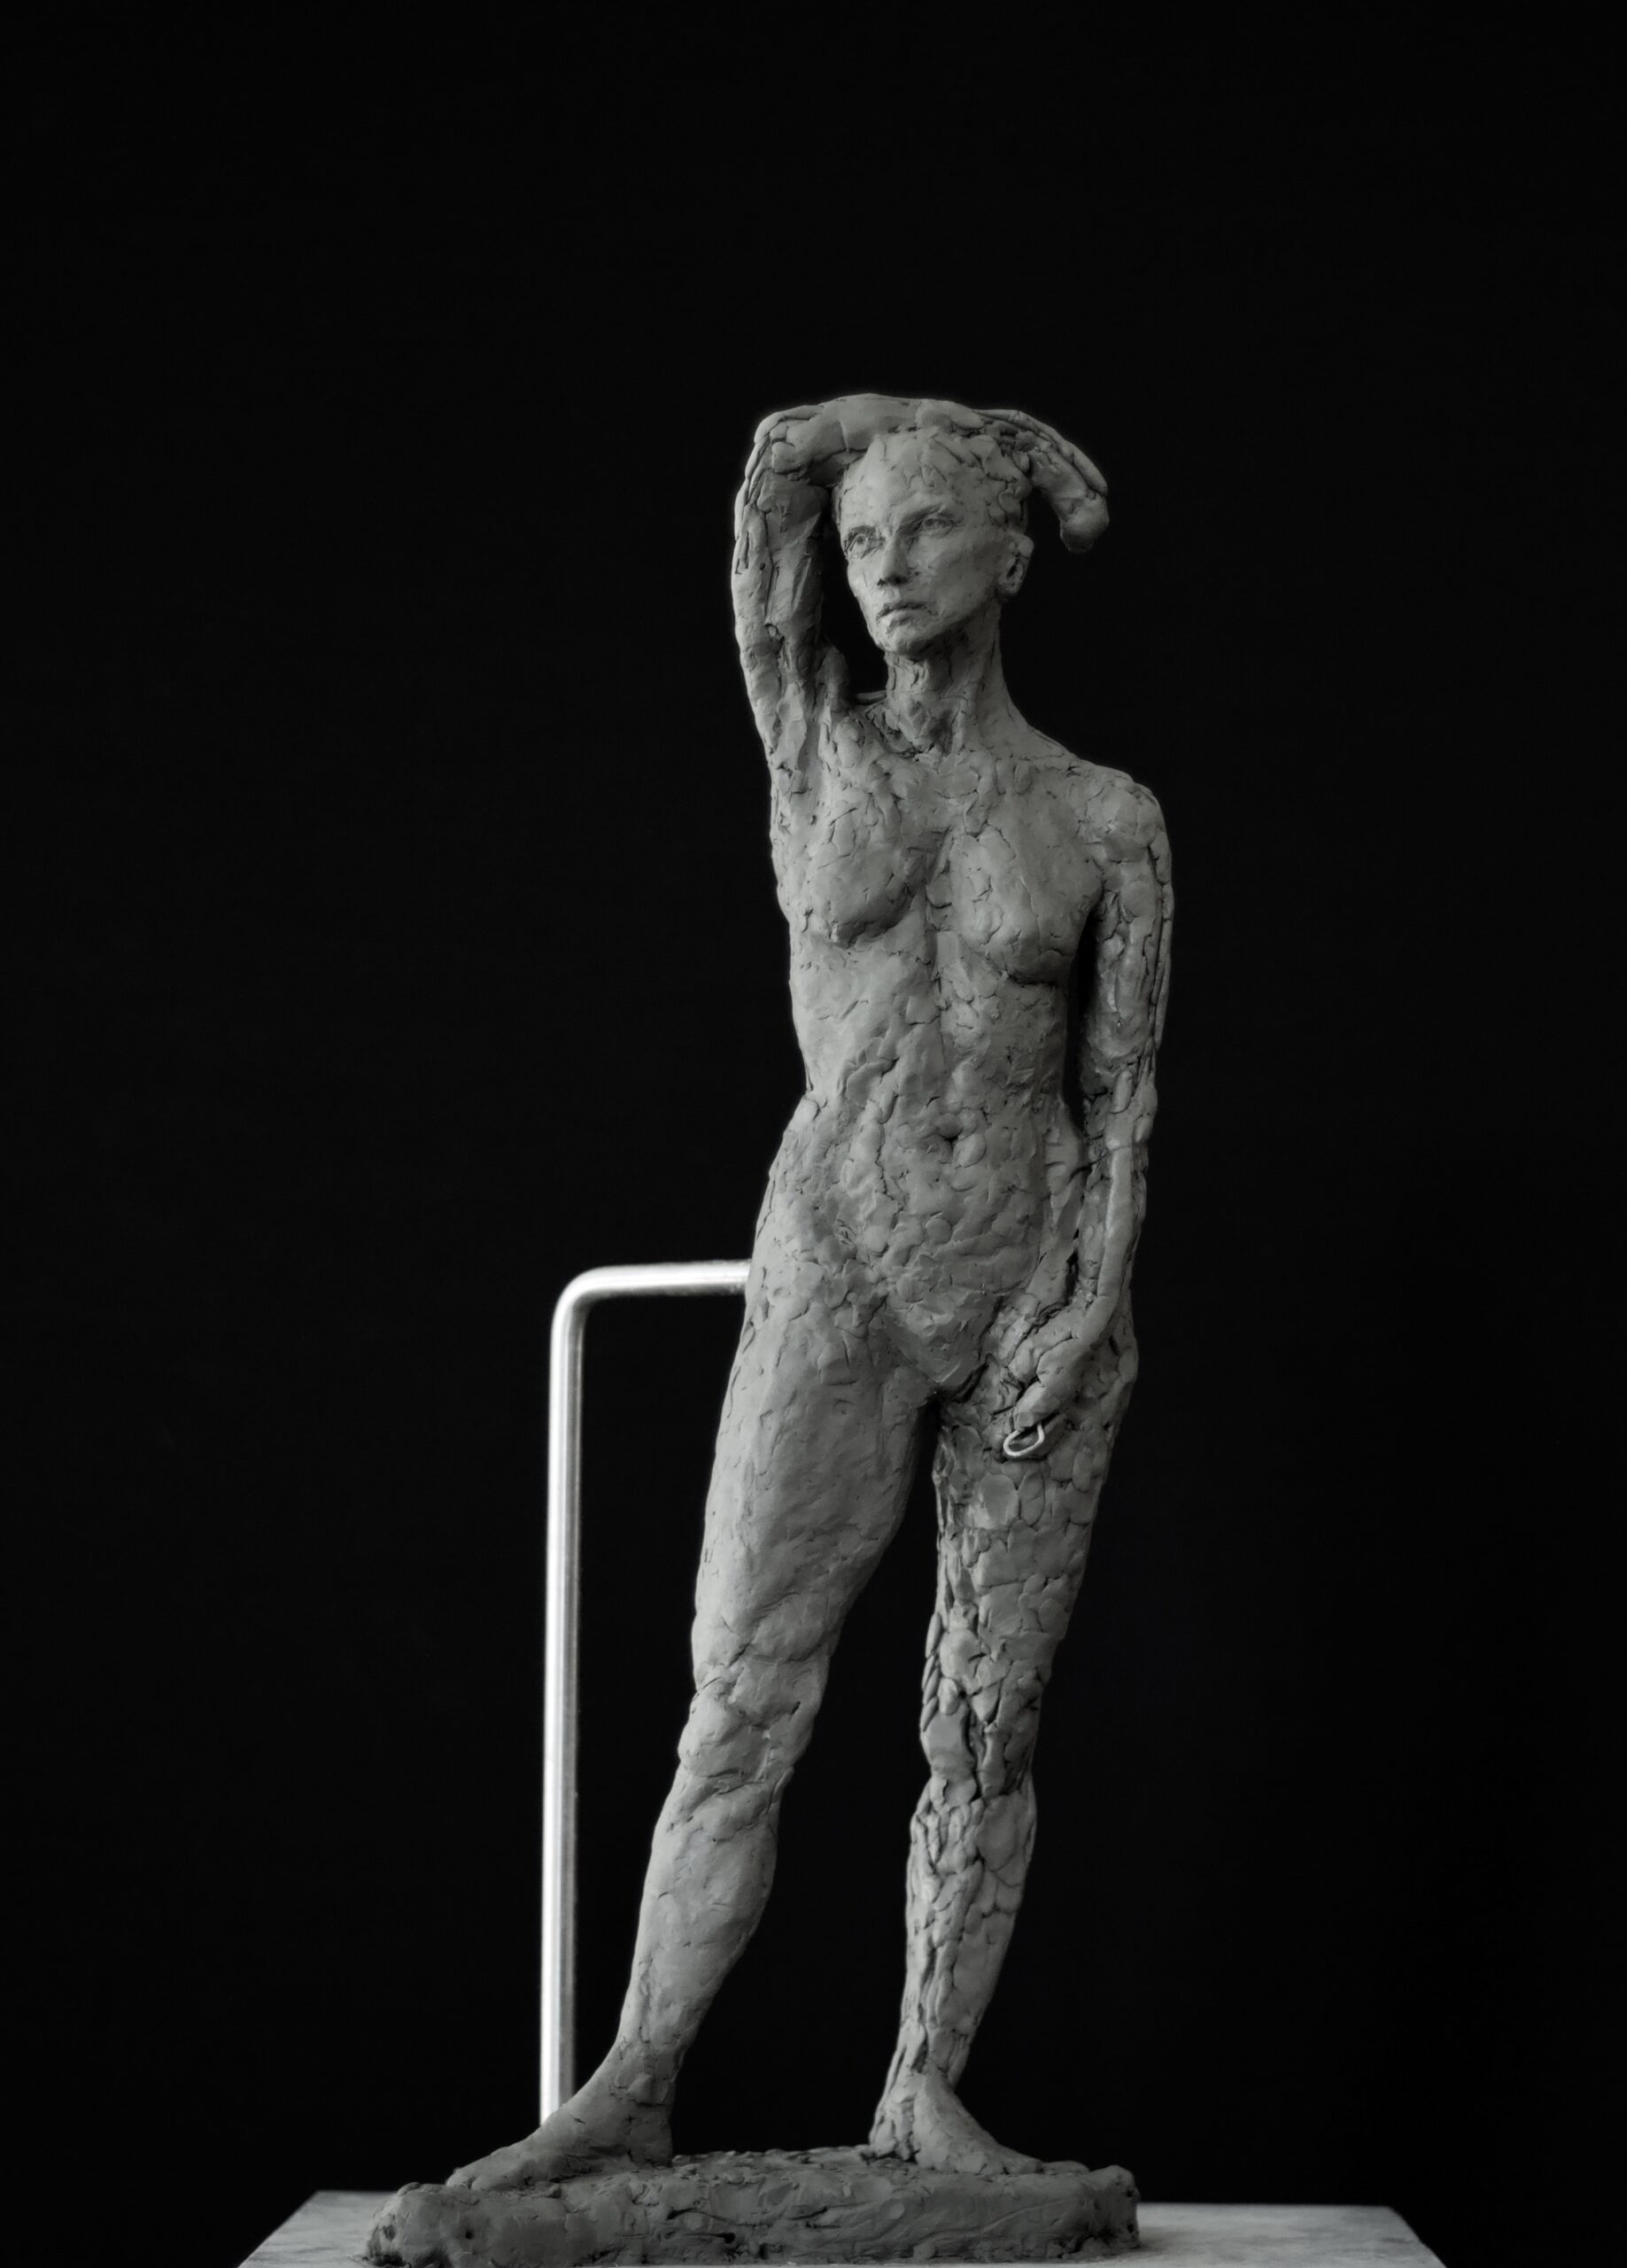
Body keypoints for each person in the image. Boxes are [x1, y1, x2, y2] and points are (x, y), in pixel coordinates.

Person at [453, 394, 1171, 2189]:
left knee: (985, 1726)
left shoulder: (1104, 816)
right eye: (863, 543)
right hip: (839, 1263)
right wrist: (964, 439)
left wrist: (1089, 1304)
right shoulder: (811, 744)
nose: (883, 567)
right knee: (740, 1698)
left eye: (926, 526)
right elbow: (773, 473)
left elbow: (1123, 1091)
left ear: (1009, 559)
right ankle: (632, 2081)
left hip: (1028, 1285)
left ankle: (923, 2087)